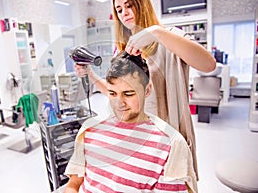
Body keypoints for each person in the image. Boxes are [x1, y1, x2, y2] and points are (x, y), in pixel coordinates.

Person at [74, 0, 217, 179]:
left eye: (129, 5)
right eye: (119, 10)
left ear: (143, 4)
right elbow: (117, 95)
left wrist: (156, 33)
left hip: (167, 140)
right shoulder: (123, 50)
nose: (124, 13)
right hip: (137, 139)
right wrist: (90, 75)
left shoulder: (169, 37)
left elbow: (208, 65)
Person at [64, 52, 198, 193]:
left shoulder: (169, 145)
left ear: (147, 90)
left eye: (128, 94)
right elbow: (73, 184)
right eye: (112, 93)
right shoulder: (90, 130)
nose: (119, 103)